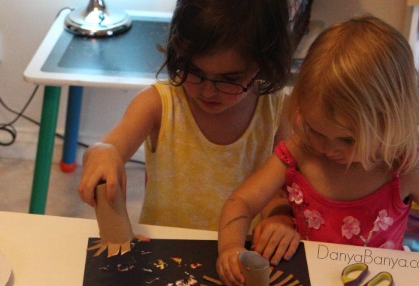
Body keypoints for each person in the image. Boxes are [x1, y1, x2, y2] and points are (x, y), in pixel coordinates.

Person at [217, 15, 419, 286]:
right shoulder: (300, 151)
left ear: (390, 122)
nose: (327, 148)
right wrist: (230, 249)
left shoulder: (405, 168)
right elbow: (241, 202)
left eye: (347, 140)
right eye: (315, 130)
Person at [78, 0, 296, 258]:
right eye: (194, 71)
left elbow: (282, 187)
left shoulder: (278, 112)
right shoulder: (158, 104)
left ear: (264, 63)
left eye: (229, 80)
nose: (207, 91)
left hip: (243, 254)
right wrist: (103, 152)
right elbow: (109, 147)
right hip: (165, 253)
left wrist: (280, 218)